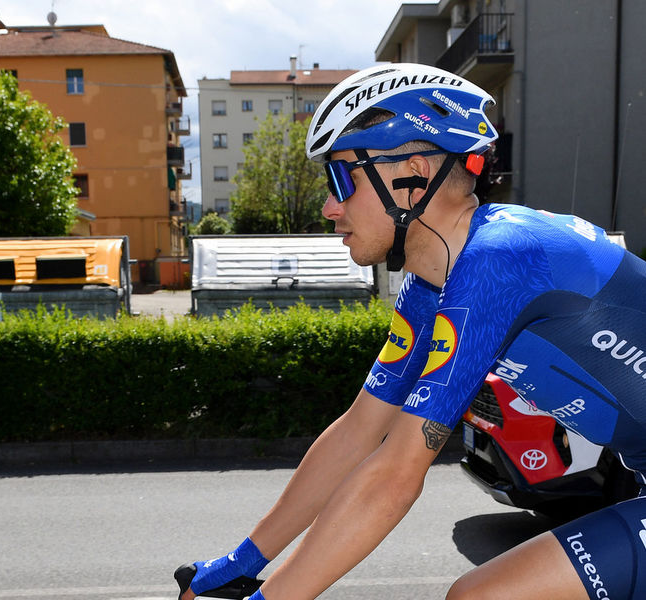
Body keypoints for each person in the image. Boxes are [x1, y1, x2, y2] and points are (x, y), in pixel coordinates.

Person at [178, 62, 646, 599]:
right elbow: (360, 432)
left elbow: (394, 476)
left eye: (340, 179)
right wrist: (244, 561)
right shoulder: (432, 286)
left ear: (412, 175)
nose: (329, 208)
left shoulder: (501, 259)